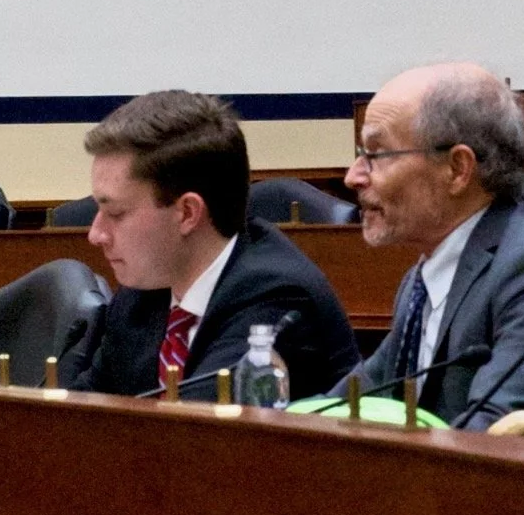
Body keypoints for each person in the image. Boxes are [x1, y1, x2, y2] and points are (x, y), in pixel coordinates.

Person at [337, 63, 524, 443]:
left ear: (457, 168)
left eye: (376, 154)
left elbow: (498, 432)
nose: (353, 176)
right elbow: (354, 399)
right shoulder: (423, 279)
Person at [69, 90, 359, 401]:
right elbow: (80, 415)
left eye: (115, 213)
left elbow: (195, 434)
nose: (96, 234)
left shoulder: (277, 296)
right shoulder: (138, 300)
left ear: (187, 213)